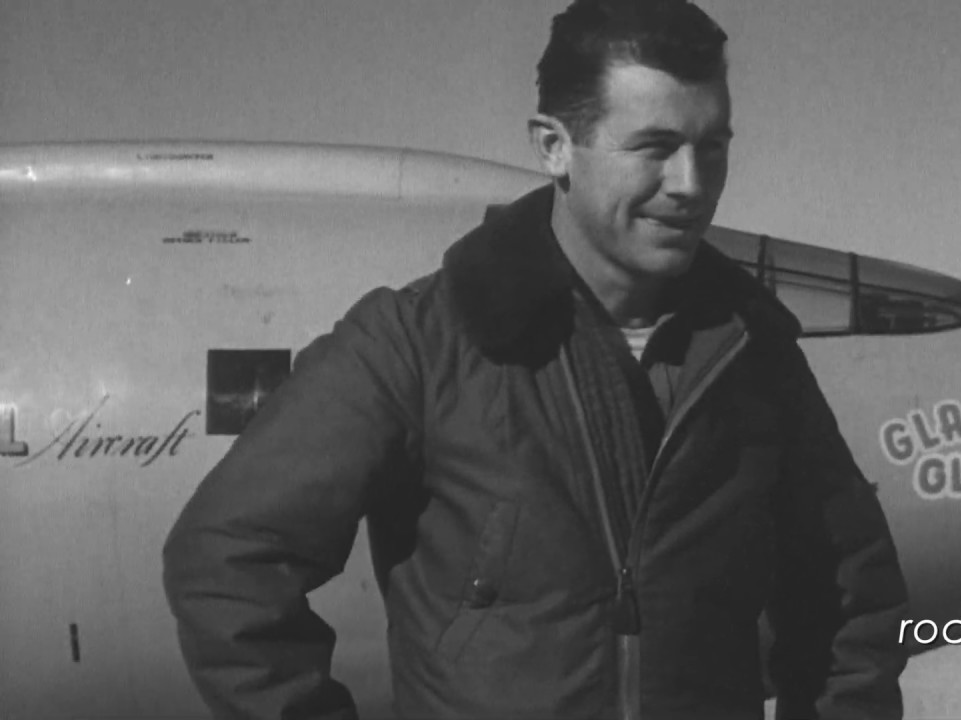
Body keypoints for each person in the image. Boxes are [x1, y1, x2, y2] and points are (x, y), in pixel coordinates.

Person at [162, 1, 910, 718]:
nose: (691, 185)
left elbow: (854, 595)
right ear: (554, 147)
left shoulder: (754, 353)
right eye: (654, 148)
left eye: (712, 147)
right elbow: (226, 556)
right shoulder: (418, 342)